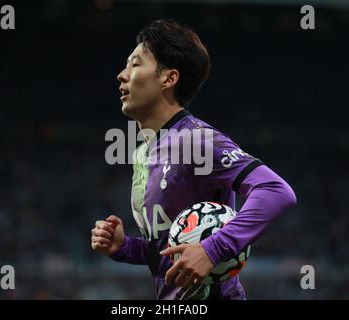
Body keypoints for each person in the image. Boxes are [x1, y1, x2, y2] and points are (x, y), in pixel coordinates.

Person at [91, 19, 297, 300]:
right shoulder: (141, 153)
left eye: (135, 64)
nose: (122, 74)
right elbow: (174, 248)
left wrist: (214, 249)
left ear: (169, 78)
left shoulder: (196, 139)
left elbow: (276, 191)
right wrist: (125, 248)